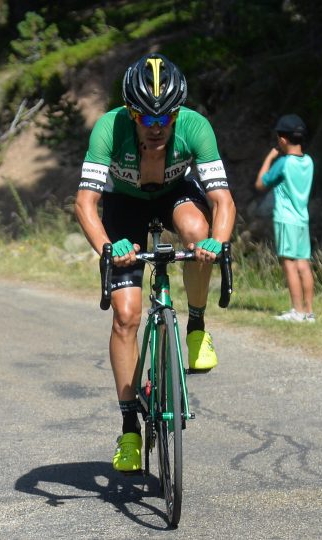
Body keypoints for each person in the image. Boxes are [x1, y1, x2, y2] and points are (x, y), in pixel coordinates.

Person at [75, 53, 236, 472]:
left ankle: (196, 326)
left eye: (166, 117)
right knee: (126, 317)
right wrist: (109, 248)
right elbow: (86, 204)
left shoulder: (196, 128)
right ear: (131, 114)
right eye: (147, 119)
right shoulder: (108, 129)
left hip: (174, 194)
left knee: (197, 234)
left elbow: (222, 199)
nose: (157, 127)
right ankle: (129, 427)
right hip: (123, 206)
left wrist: (217, 244)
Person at [255, 114, 315, 323]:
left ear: (282, 139)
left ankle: (296, 312)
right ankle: (308, 312)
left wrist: (268, 159)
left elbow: (261, 183)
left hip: (286, 219)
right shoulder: (308, 161)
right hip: (302, 219)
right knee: (304, 264)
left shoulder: (283, 163)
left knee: (289, 263)